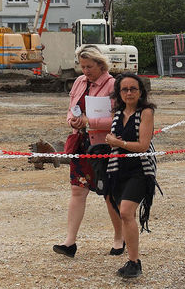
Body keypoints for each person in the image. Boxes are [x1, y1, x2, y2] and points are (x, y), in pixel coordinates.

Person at [53, 46, 124, 258]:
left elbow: (118, 119)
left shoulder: (114, 85)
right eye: (82, 67)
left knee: (109, 193)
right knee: (77, 190)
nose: (85, 71)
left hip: (104, 146)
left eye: (89, 67)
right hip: (81, 144)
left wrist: (89, 121)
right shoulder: (78, 82)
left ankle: (119, 238)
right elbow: (70, 108)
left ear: (101, 65)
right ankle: (69, 242)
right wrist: (71, 121)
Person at [104, 73, 158, 279]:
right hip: (118, 169)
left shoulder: (146, 113)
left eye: (133, 89)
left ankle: (135, 261)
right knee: (125, 214)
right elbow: (115, 140)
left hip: (140, 169)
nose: (128, 93)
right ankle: (132, 260)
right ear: (118, 92)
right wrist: (112, 141)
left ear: (141, 92)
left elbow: (143, 147)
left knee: (126, 212)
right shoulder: (117, 113)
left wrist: (119, 144)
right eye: (124, 89)